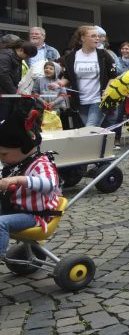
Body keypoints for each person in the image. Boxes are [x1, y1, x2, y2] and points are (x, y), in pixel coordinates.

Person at [0, 101, 61, 260]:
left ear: (24, 148)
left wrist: (19, 179)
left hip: (34, 215)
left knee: (1, 223)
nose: (2, 158)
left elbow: (50, 184)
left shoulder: (41, 163)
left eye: (4, 154)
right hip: (15, 207)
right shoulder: (15, 163)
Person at [58, 26, 117, 128]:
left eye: (98, 36)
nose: (97, 38)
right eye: (93, 36)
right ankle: (104, 143)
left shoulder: (104, 55)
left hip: (99, 100)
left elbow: (113, 76)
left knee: (90, 128)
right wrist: (58, 83)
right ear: (82, 38)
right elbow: (67, 77)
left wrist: (108, 89)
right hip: (81, 101)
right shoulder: (71, 57)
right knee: (92, 132)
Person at [0, 35, 38, 122]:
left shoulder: (15, 57)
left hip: (8, 94)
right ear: (21, 50)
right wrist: (14, 91)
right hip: (4, 94)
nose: (27, 58)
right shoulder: (6, 56)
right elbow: (3, 75)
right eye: (27, 55)